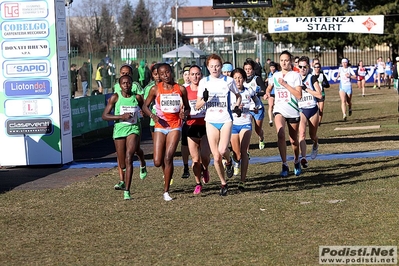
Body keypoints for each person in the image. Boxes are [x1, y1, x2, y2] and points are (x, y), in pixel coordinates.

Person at [142, 63, 190, 201]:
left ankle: (166, 191)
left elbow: (187, 108)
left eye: (167, 72)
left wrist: (184, 114)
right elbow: (145, 106)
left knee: (168, 157)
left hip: (175, 125)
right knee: (157, 161)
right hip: (160, 125)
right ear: (159, 75)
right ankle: (167, 172)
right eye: (162, 74)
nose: (165, 76)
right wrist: (152, 116)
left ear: (171, 72)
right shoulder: (155, 89)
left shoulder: (180, 89)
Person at [195, 53, 242, 196]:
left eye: (217, 66)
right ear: (207, 67)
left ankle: (228, 161)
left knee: (222, 151)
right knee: (215, 157)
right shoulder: (204, 82)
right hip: (210, 120)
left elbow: (238, 96)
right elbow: (197, 106)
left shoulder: (228, 80)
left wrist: (237, 105)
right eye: (211, 66)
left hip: (226, 118)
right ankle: (223, 183)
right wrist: (205, 99)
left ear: (221, 66)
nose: (215, 69)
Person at [101, 75, 144, 200]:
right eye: (124, 83)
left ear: (132, 84)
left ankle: (127, 191)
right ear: (120, 85)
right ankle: (124, 180)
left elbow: (144, 109)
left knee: (129, 157)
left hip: (133, 129)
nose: (126, 85)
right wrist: (120, 116)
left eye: (128, 83)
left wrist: (146, 114)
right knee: (122, 163)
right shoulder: (115, 97)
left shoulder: (136, 97)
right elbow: (105, 115)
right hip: (119, 131)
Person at [263, 50, 302, 177]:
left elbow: (299, 95)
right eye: (282, 60)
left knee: (293, 140)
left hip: (293, 110)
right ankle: (284, 164)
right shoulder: (275, 75)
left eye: (286, 60)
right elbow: (270, 86)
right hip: (279, 109)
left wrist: (285, 85)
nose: (284, 62)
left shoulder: (295, 76)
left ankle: (296, 160)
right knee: (280, 134)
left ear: (290, 61)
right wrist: (267, 92)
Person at [112, 64, 147, 189]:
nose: (125, 75)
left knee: (135, 151)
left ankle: (142, 162)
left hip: (134, 124)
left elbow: (141, 101)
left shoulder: (135, 86)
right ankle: (122, 180)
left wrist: (143, 111)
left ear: (131, 76)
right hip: (121, 126)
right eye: (122, 73)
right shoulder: (116, 86)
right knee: (122, 156)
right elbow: (115, 101)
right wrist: (119, 115)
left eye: (127, 73)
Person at [230, 68, 262, 191]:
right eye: (235, 78)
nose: (238, 80)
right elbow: (225, 108)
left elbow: (257, 102)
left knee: (244, 152)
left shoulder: (249, 91)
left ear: (244, 79)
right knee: (237, 154)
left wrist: (256, 108)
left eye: (240, 78)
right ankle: (235, 161)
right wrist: (235, 107)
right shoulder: (229, 93)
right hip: (232, 125)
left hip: (245, 123)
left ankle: (242, 181)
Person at [185, 65, 211, 194]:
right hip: (192, 126)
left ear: (202, 75)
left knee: (205, 155)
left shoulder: (206, 88)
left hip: (206, 126)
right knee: (195, 160)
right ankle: (198, 183)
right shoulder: (185, 91)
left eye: (198, 74)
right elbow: (182, 108)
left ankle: (205, 168)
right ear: (188, 76)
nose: (196, 77)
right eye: (193, 74)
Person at [297, 56, 323, 169]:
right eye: (300, 67)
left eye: (305, 67)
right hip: (301, 109)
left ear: (308, 67)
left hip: (312, 109)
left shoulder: (311, 78)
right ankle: (303, 158)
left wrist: (306, 89)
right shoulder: (295, 78)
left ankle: (316, 144)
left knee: (312, 135)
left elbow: (319, 94)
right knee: (302, 134)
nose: (302, 69)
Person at [243, 58, 266, 149]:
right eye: (246, 69)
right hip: (247, 109)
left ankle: (261, 138)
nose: (248, 71)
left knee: (257, 130)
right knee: (247, 129)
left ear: (253, 70)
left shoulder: (257, 79)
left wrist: (256, 93)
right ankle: (246, 150)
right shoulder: (242, 80)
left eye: (249, 69)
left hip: (257, 108)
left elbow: (264, 91)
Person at [144, 63, 161, 141]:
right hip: (154, 121)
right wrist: (151, 115)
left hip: (169, 120)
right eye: (155, 74)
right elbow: (145, 105)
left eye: (160, 74)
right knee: (157, 146)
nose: (158, 76)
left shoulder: (170, 86)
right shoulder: (149, 88)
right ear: (152, 75)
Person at [180, 65, 191, 179]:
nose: (188, 77)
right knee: (184, 144)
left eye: (190, 74)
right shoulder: (181, 88)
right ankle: (186, 166)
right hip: (185, 121)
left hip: (198, 120)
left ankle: (202, 166)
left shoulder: (199, 86)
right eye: (185, 74)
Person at [266, 61, 279, 127]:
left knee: (276, 107)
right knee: (270, 105)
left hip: (277, 94)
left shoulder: (277, 74)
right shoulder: (269, 74)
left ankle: (277, 118)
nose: (272, 68)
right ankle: (270, 120)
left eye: (273, 67)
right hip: (271, 94)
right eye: (271, 67)